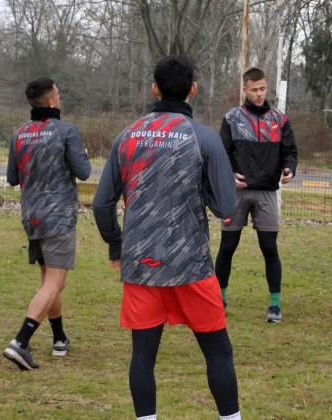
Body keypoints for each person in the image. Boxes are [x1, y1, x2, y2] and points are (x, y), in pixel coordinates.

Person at [93, 55, 241, 420]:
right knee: (218, 351)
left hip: (142, 264)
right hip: (191, 264)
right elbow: (226, 207)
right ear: (193, 89)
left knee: (143, 356)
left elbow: (101, 204)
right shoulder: (204, 138)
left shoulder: (127, 136)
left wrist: (117, 243)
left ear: (154, 88)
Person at [2, 78, 91, 370]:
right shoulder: (65, 131)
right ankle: (20, 342)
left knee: (47, 281)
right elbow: (84, 171)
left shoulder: (19, 133)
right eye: (59, 93)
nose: (61, 97)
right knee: (55, 283)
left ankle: (59, 338)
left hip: (32, 216)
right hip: (59, 216)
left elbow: (14, 178)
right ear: (52, 101)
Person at [214, 67, 298, 322]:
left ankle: (275, 304)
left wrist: (289, 168)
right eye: (254, 90)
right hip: (236, 194)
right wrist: (229, 174)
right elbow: (221, 153)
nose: (260, 94)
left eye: (263, 89)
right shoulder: (231, 119)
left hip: (267, 195)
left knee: (269, 248)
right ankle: (219, 299)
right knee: (228, 246)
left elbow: (290, 151)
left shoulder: (279, 120)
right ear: (245, 90)